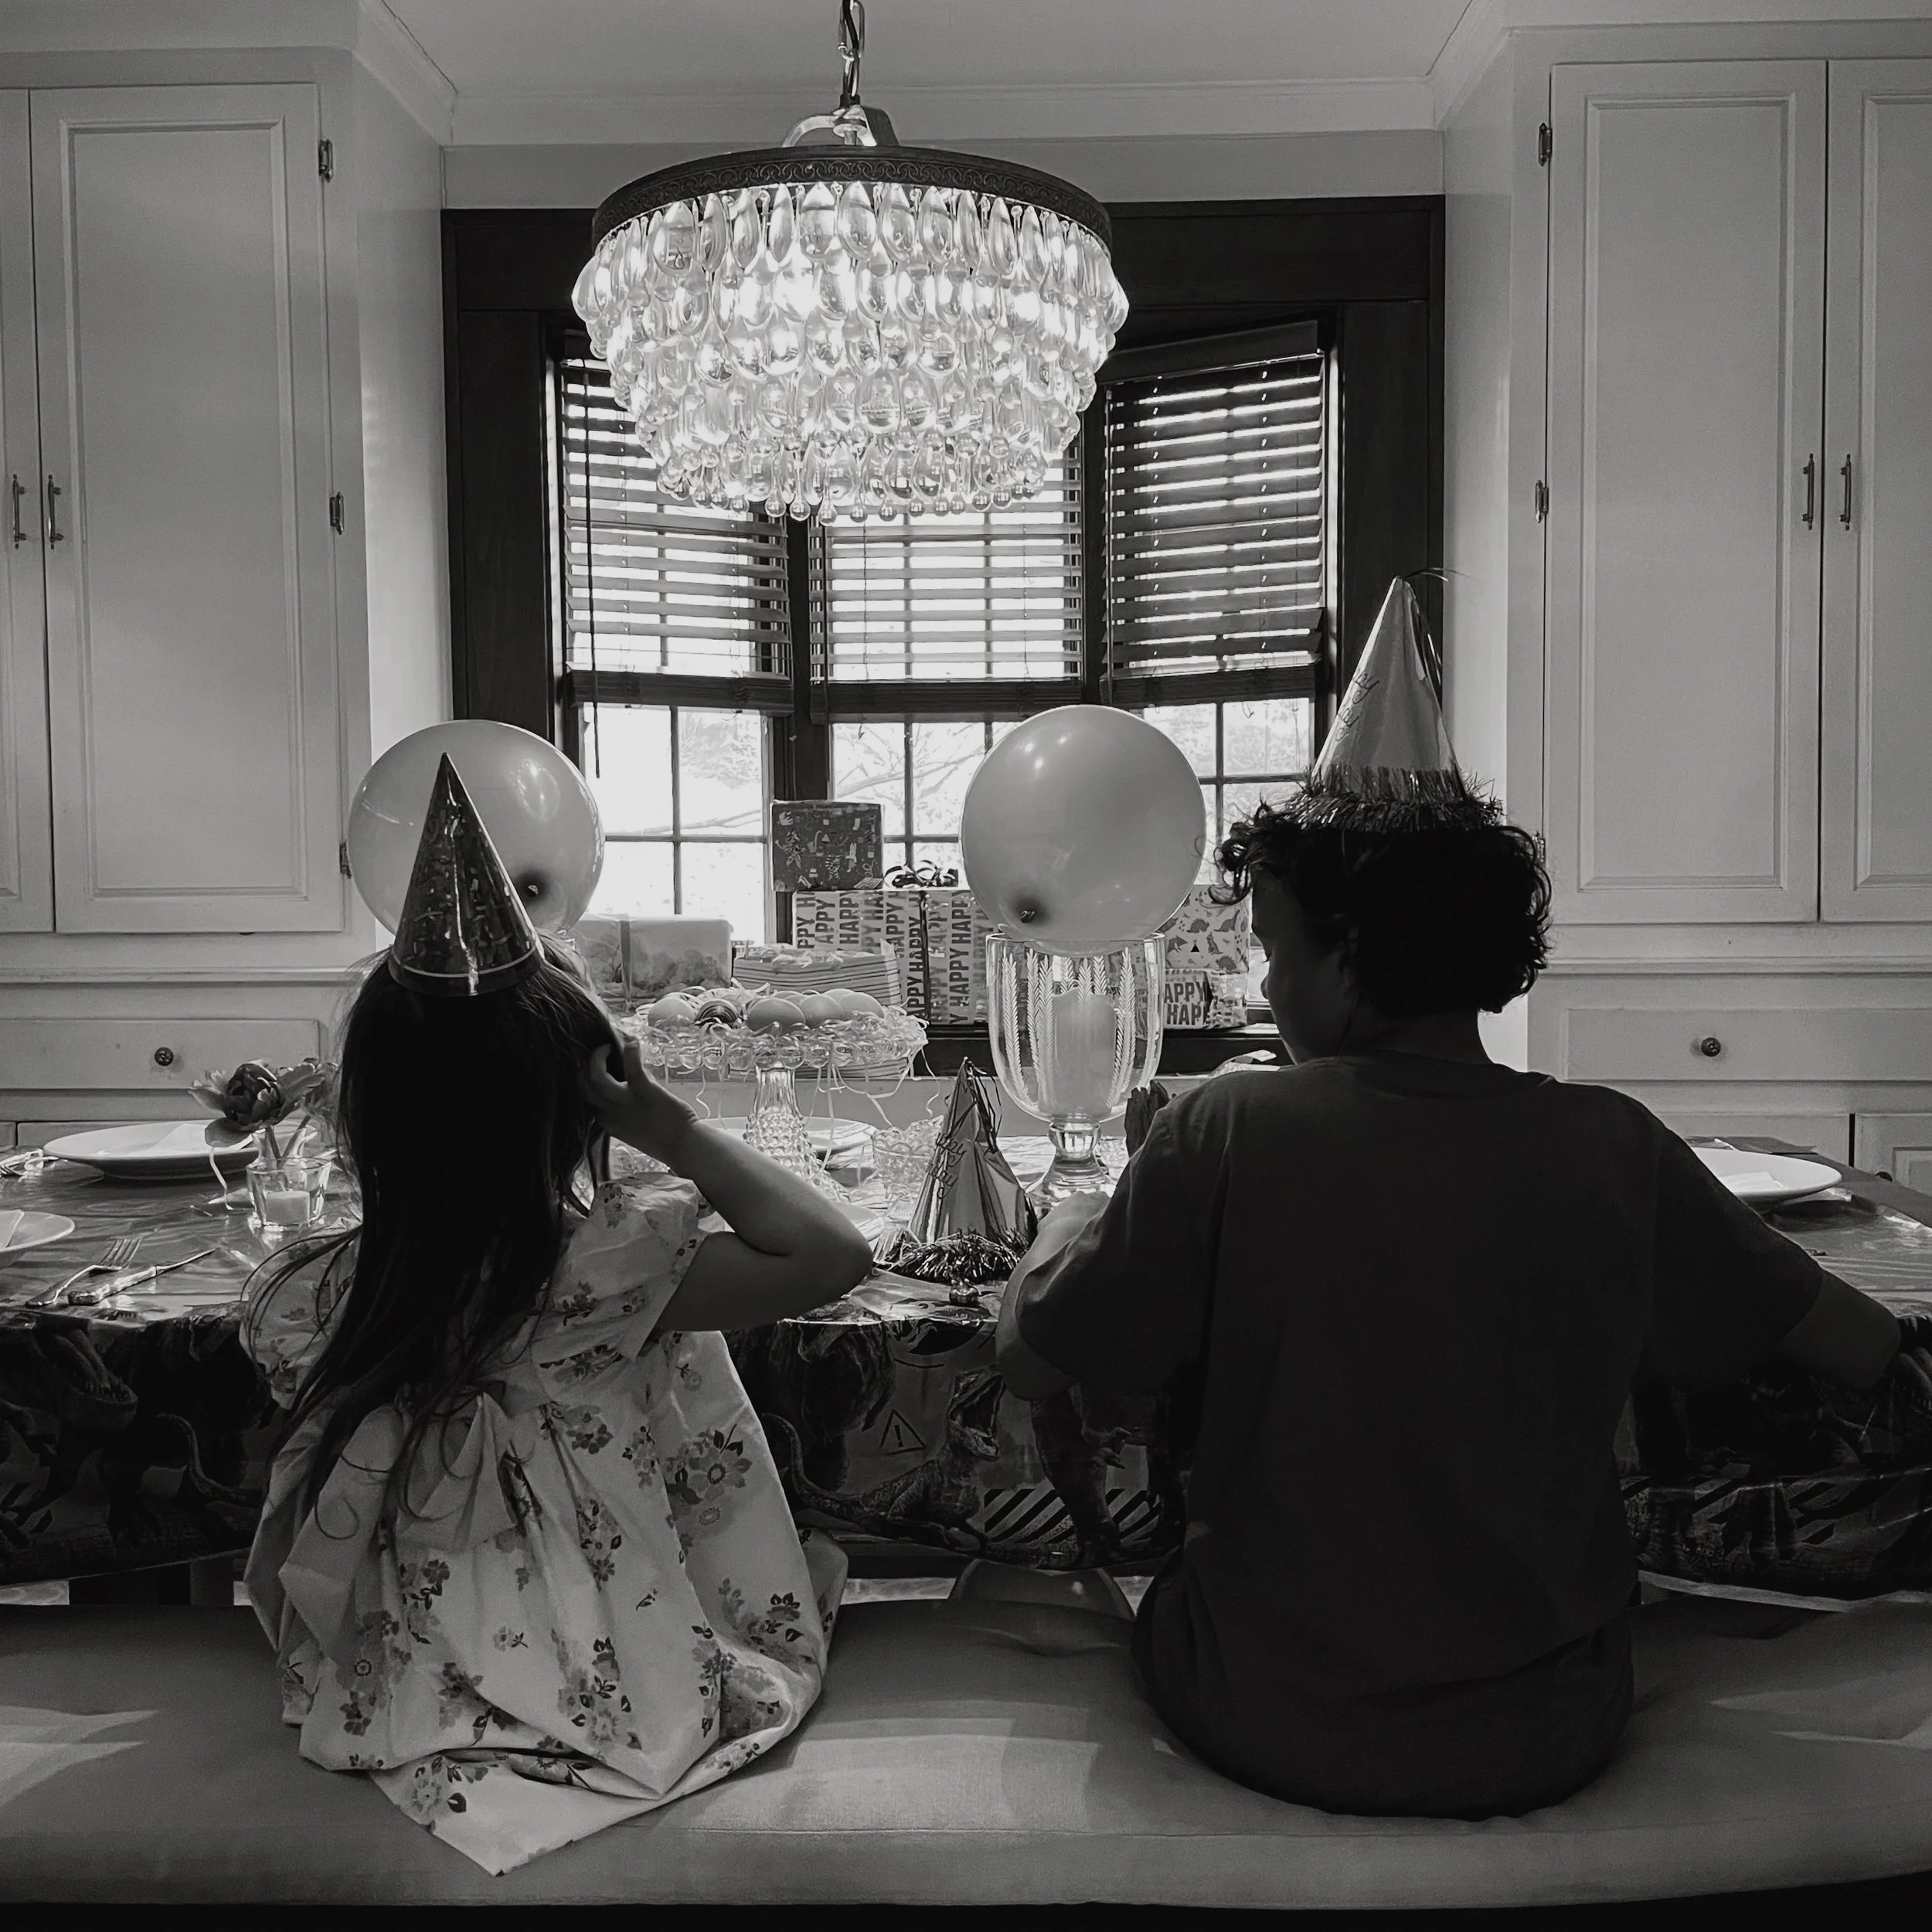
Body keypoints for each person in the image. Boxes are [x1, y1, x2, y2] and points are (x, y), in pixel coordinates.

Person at [993, 581, 1901, 1821]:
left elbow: (1034, 1361)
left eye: (1275, 950)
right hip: (1548, 1726)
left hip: (1266, 1714)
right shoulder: (1612, 1143)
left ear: (1352, 951)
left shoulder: (1230, 1124)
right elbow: (1859, 1346)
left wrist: (1062, 1223)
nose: (1265, 989)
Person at [243, 757, 872, 1872]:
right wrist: (673, 1129)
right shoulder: (602, 1275)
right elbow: (832, 1253)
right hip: (614, 1651)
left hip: (412, 1655)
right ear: (574, 1107)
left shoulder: (326, 1294)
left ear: (368, 1119)